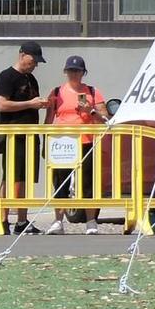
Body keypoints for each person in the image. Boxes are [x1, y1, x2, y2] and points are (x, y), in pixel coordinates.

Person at [44, 55, 106, 233]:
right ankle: (58, 221)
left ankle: (91, 222)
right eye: (71, 70)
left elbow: (105, 119)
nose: (74, 74)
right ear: (65, 72)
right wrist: (46, 142)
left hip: (86, 140)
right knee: (60, 182)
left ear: (83, 73)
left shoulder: (93, 92)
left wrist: (91, 111)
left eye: (77, 71)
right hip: (62, 142)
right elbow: (48, 120)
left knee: (88, 182)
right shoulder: (56, 92)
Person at [0, 40, 49, 235]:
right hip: (11, 133)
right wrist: (30, 104)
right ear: (22, 54)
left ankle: (22, 221)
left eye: (36, 63)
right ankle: (2, 218)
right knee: (9, 175)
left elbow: (32, 102)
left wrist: (41, 104)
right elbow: (2, 105)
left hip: (30, 133)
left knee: (25, 177)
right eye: (32, 61)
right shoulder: (6, 77)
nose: (34, 65)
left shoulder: (31, 80)